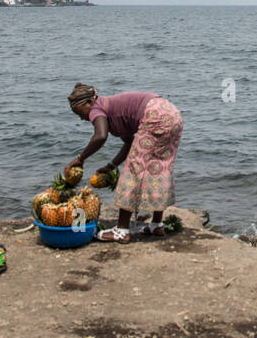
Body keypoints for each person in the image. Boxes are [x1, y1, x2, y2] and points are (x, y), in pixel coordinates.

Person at [65, 83, 183, 243]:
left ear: (88, 103)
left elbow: (100, 136)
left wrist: (80, 159)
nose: (82, 118)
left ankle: (121, 230)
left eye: (80, 113)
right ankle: (156, 224)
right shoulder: (110, 109)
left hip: (154, 116)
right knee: (158, 168)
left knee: (132, 171)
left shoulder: (97, 109)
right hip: (171, 115)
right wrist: (110, 166)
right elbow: (129, 143)